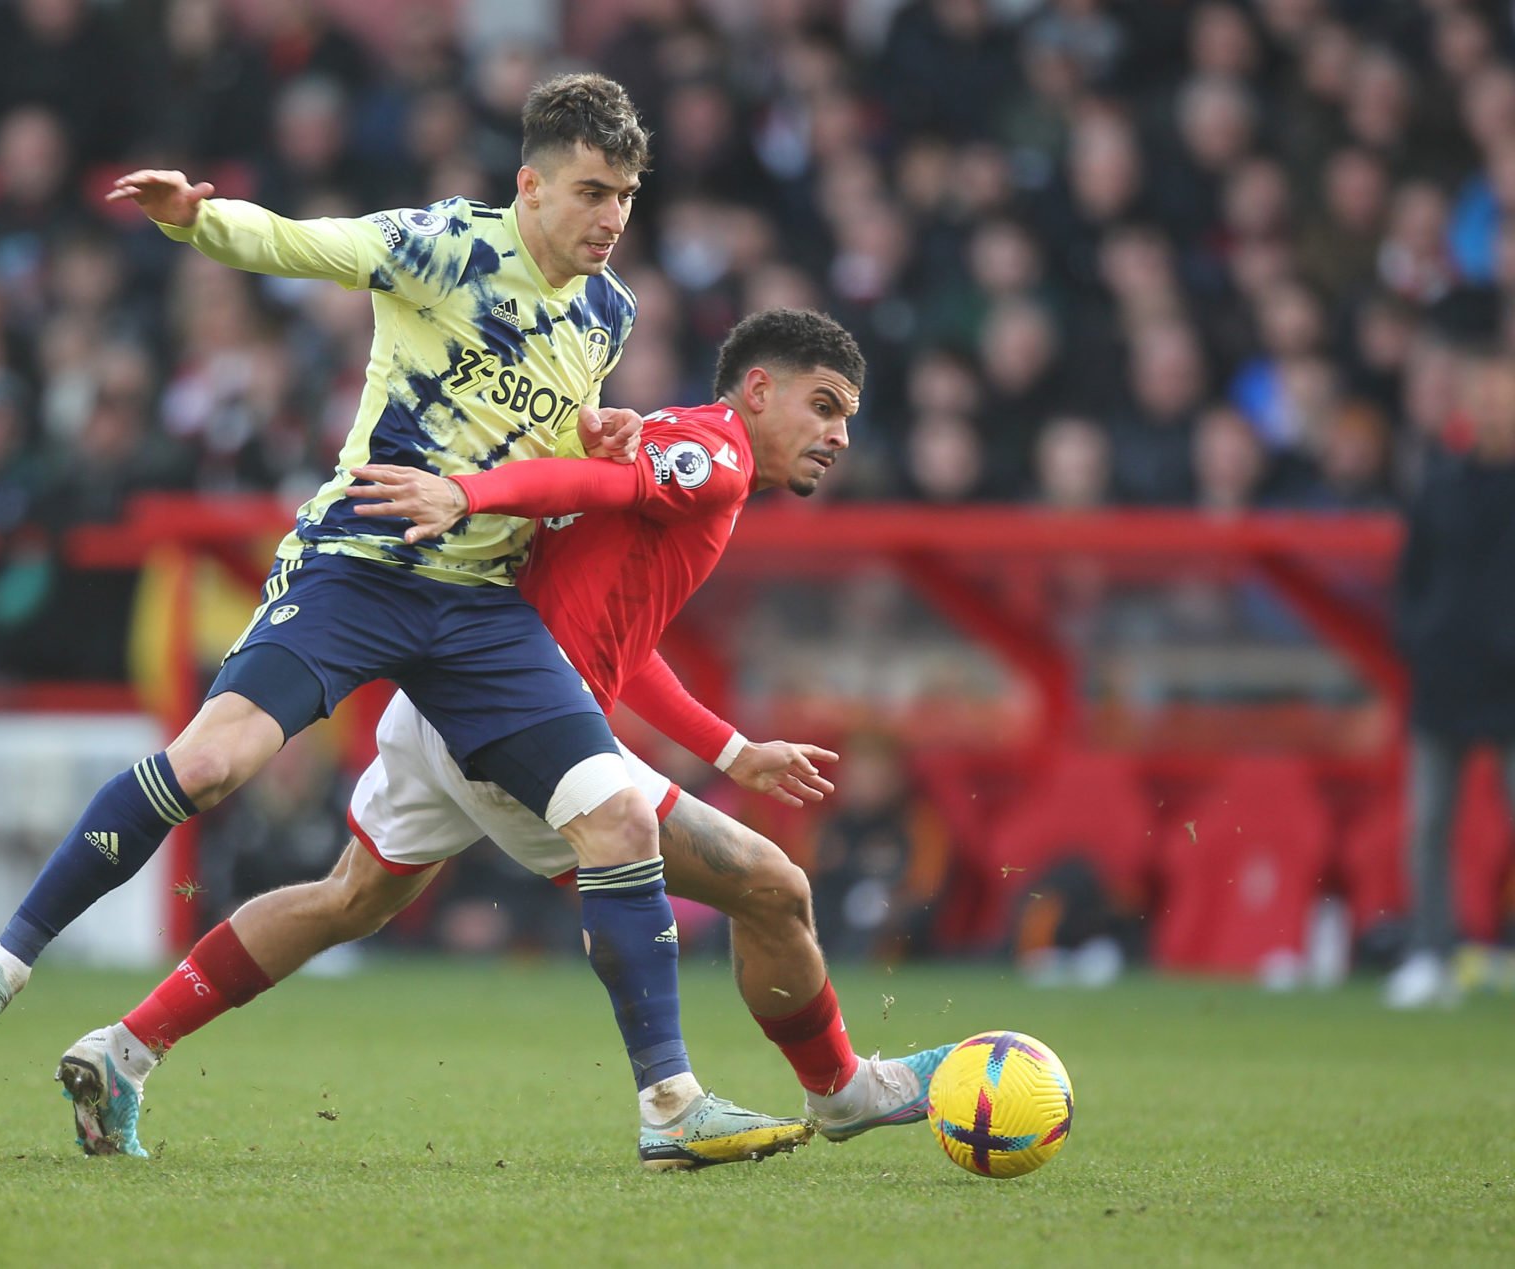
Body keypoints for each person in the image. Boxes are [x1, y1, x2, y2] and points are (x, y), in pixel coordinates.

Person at [0, 74, 808, 1163]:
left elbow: (541, 439)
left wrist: (600, 444)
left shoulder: (607, 314)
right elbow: (309, 246)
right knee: (213, 765)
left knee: (613, 822)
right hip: (363, 565)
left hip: (485, 611)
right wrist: (199, 220)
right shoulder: (447, 247)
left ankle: (670, 1109)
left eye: (626, 194)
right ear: (530, 185)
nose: (612, 217)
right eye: (591, 191)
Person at [58, 310, 954, 1169]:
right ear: (758, 389)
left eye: (848, 418)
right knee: (771, 885)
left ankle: (124, 1048)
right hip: (520, 717)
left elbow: (623, 646)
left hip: (453, 692)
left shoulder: (686, 449)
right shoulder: (714, 455)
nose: (839, 434)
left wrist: (728, 751)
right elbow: (592, 483)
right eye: (824, 405)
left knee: (349, 898)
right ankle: (805, 1093)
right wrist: (464, 494)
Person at [1388, 352, 1515, 1008]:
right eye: (1485, 399)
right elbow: (1410, 578)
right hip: (1445, 678)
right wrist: (1420, 639)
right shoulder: (1439, 485)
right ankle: (1428, 950)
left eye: (1504, 399)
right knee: (1429, 823)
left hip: (1511, 684)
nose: (1495, 411)